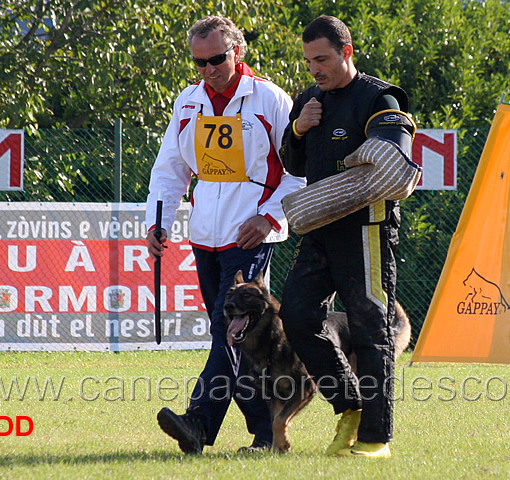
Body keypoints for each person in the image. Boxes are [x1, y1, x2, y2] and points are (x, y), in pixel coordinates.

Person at [145, 16, 305, 455]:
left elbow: (298, 170)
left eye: (217, 58)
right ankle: (266, 433)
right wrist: (157, 223)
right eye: (199, 62)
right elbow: (170, 169)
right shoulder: (188, 102)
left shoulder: (270, 99)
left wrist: (269, 219)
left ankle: (198, 422)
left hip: (250, 237)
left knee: (226, 328)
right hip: (204, 237)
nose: (209, 69)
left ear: (238, 52)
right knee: (236, 338)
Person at [279, 15, 414, 458]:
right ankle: (350, 405)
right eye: (308, 61)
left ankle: (377, 438)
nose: (315, 69)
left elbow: (392, 156)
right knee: (297, 315)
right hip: (320, 229)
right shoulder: (309, 100)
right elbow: (293, 165)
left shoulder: (379, 97)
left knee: (370, 329)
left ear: (347, 53)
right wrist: (299, 127)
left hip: (367, 230)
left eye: (323, 59)